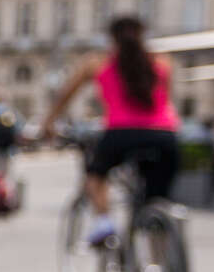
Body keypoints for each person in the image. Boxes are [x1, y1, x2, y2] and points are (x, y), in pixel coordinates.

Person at [42, 15, 179, 244]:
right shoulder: (163, 63)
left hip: (121, 133)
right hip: (165, 136)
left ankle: (104, 222)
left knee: (95, 176)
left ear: (111, 38)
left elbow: (64, 95)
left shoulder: (99, 63)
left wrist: (49, 122)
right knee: (156, 203)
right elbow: (168, 100)